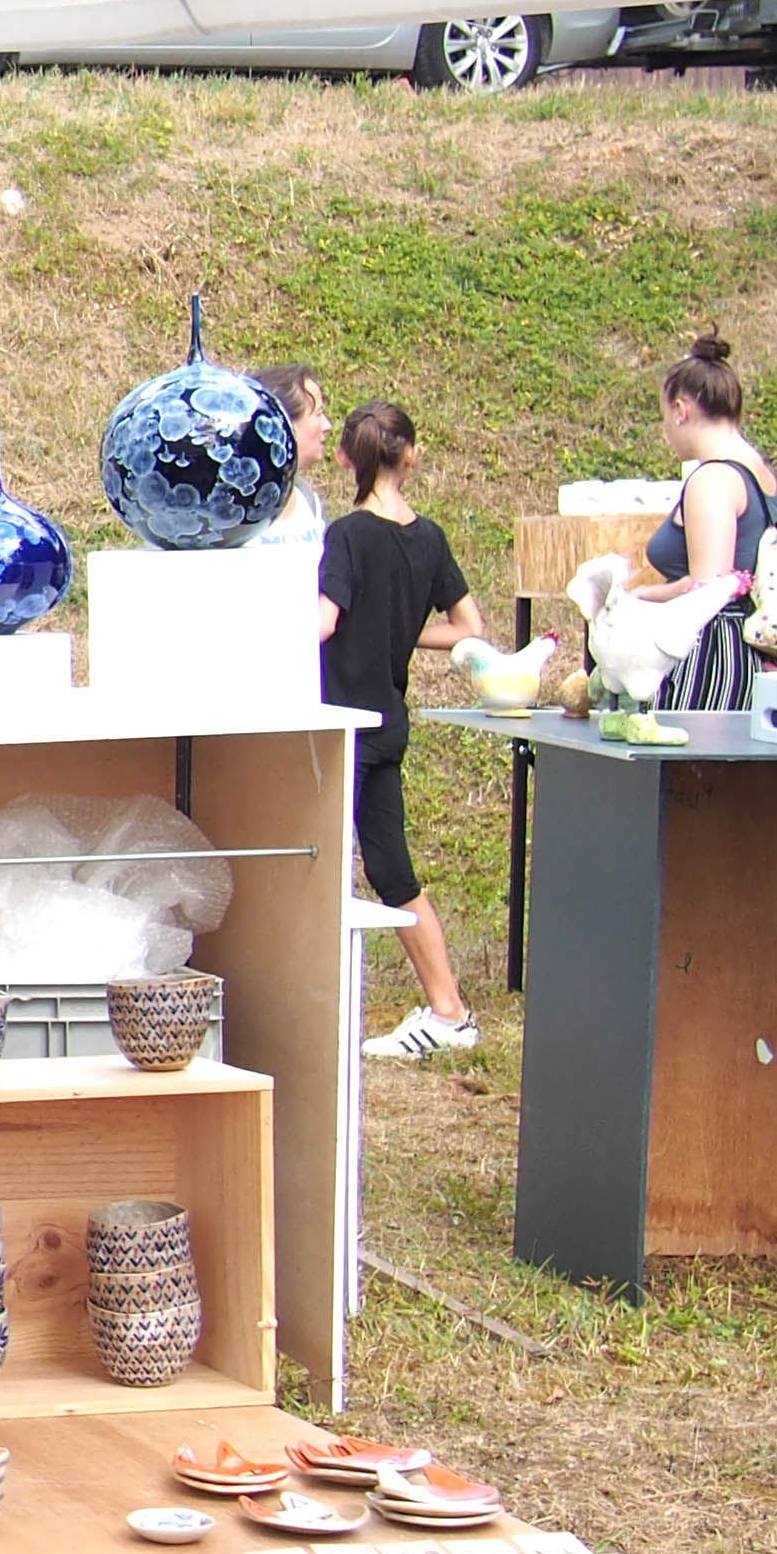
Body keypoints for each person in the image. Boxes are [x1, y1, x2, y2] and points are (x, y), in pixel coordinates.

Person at [311, 402, 487, 1060]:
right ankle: (449, 1010)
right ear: (410, 455)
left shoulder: (347, 535)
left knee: (316, 865)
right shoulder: (430, 539)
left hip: (339, 728)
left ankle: (310, 1012)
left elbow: (325, 622)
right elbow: (469, 628)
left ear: (345, 460)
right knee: (392, 870)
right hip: (387, 725)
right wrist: (401, 630)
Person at [629, 333, 777, 711]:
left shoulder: (713, 480)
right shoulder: (761, 475)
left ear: (680, 410)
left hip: (710, 659)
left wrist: (637, 598)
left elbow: (707, 587)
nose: (666, 431)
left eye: (664, 418)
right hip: (750, 652)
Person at [246, 362, 329, 550]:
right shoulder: (233, 513)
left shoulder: (309, 499)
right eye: (318, 414)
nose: (327, 425)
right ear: (284, 423)